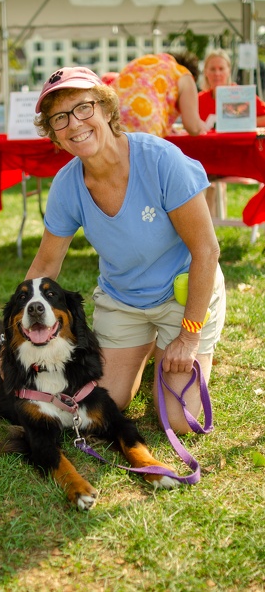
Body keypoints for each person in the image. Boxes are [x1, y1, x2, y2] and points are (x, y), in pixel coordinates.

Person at [26, 66, 226, 435]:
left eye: (83, 108)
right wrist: (19, 331)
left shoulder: (161, 160)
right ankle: (146, 346)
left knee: (180, 421)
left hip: (183, 297)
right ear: (53, 133)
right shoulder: (67, 185)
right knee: (104, 402)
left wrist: (189, 335)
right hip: (123, 300)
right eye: (60, 118)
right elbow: (46, 263)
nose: (74, 123)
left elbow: (206, 251)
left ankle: (174, 344)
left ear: (105, 108)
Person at [198, 49, 265, 216]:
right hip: (207, 159)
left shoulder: (242, 96)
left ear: (228, 70)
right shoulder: (199, 99)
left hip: (240, 158)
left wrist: (244, 121)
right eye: (212, 69)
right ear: (206, 72)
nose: (217, 73)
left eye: (221, 68)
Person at [111, 52, 207, 137]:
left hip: (111, 115)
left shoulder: (147, 60)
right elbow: (193, 127)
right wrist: (203, 127)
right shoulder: (184, 74)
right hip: (144, 122)